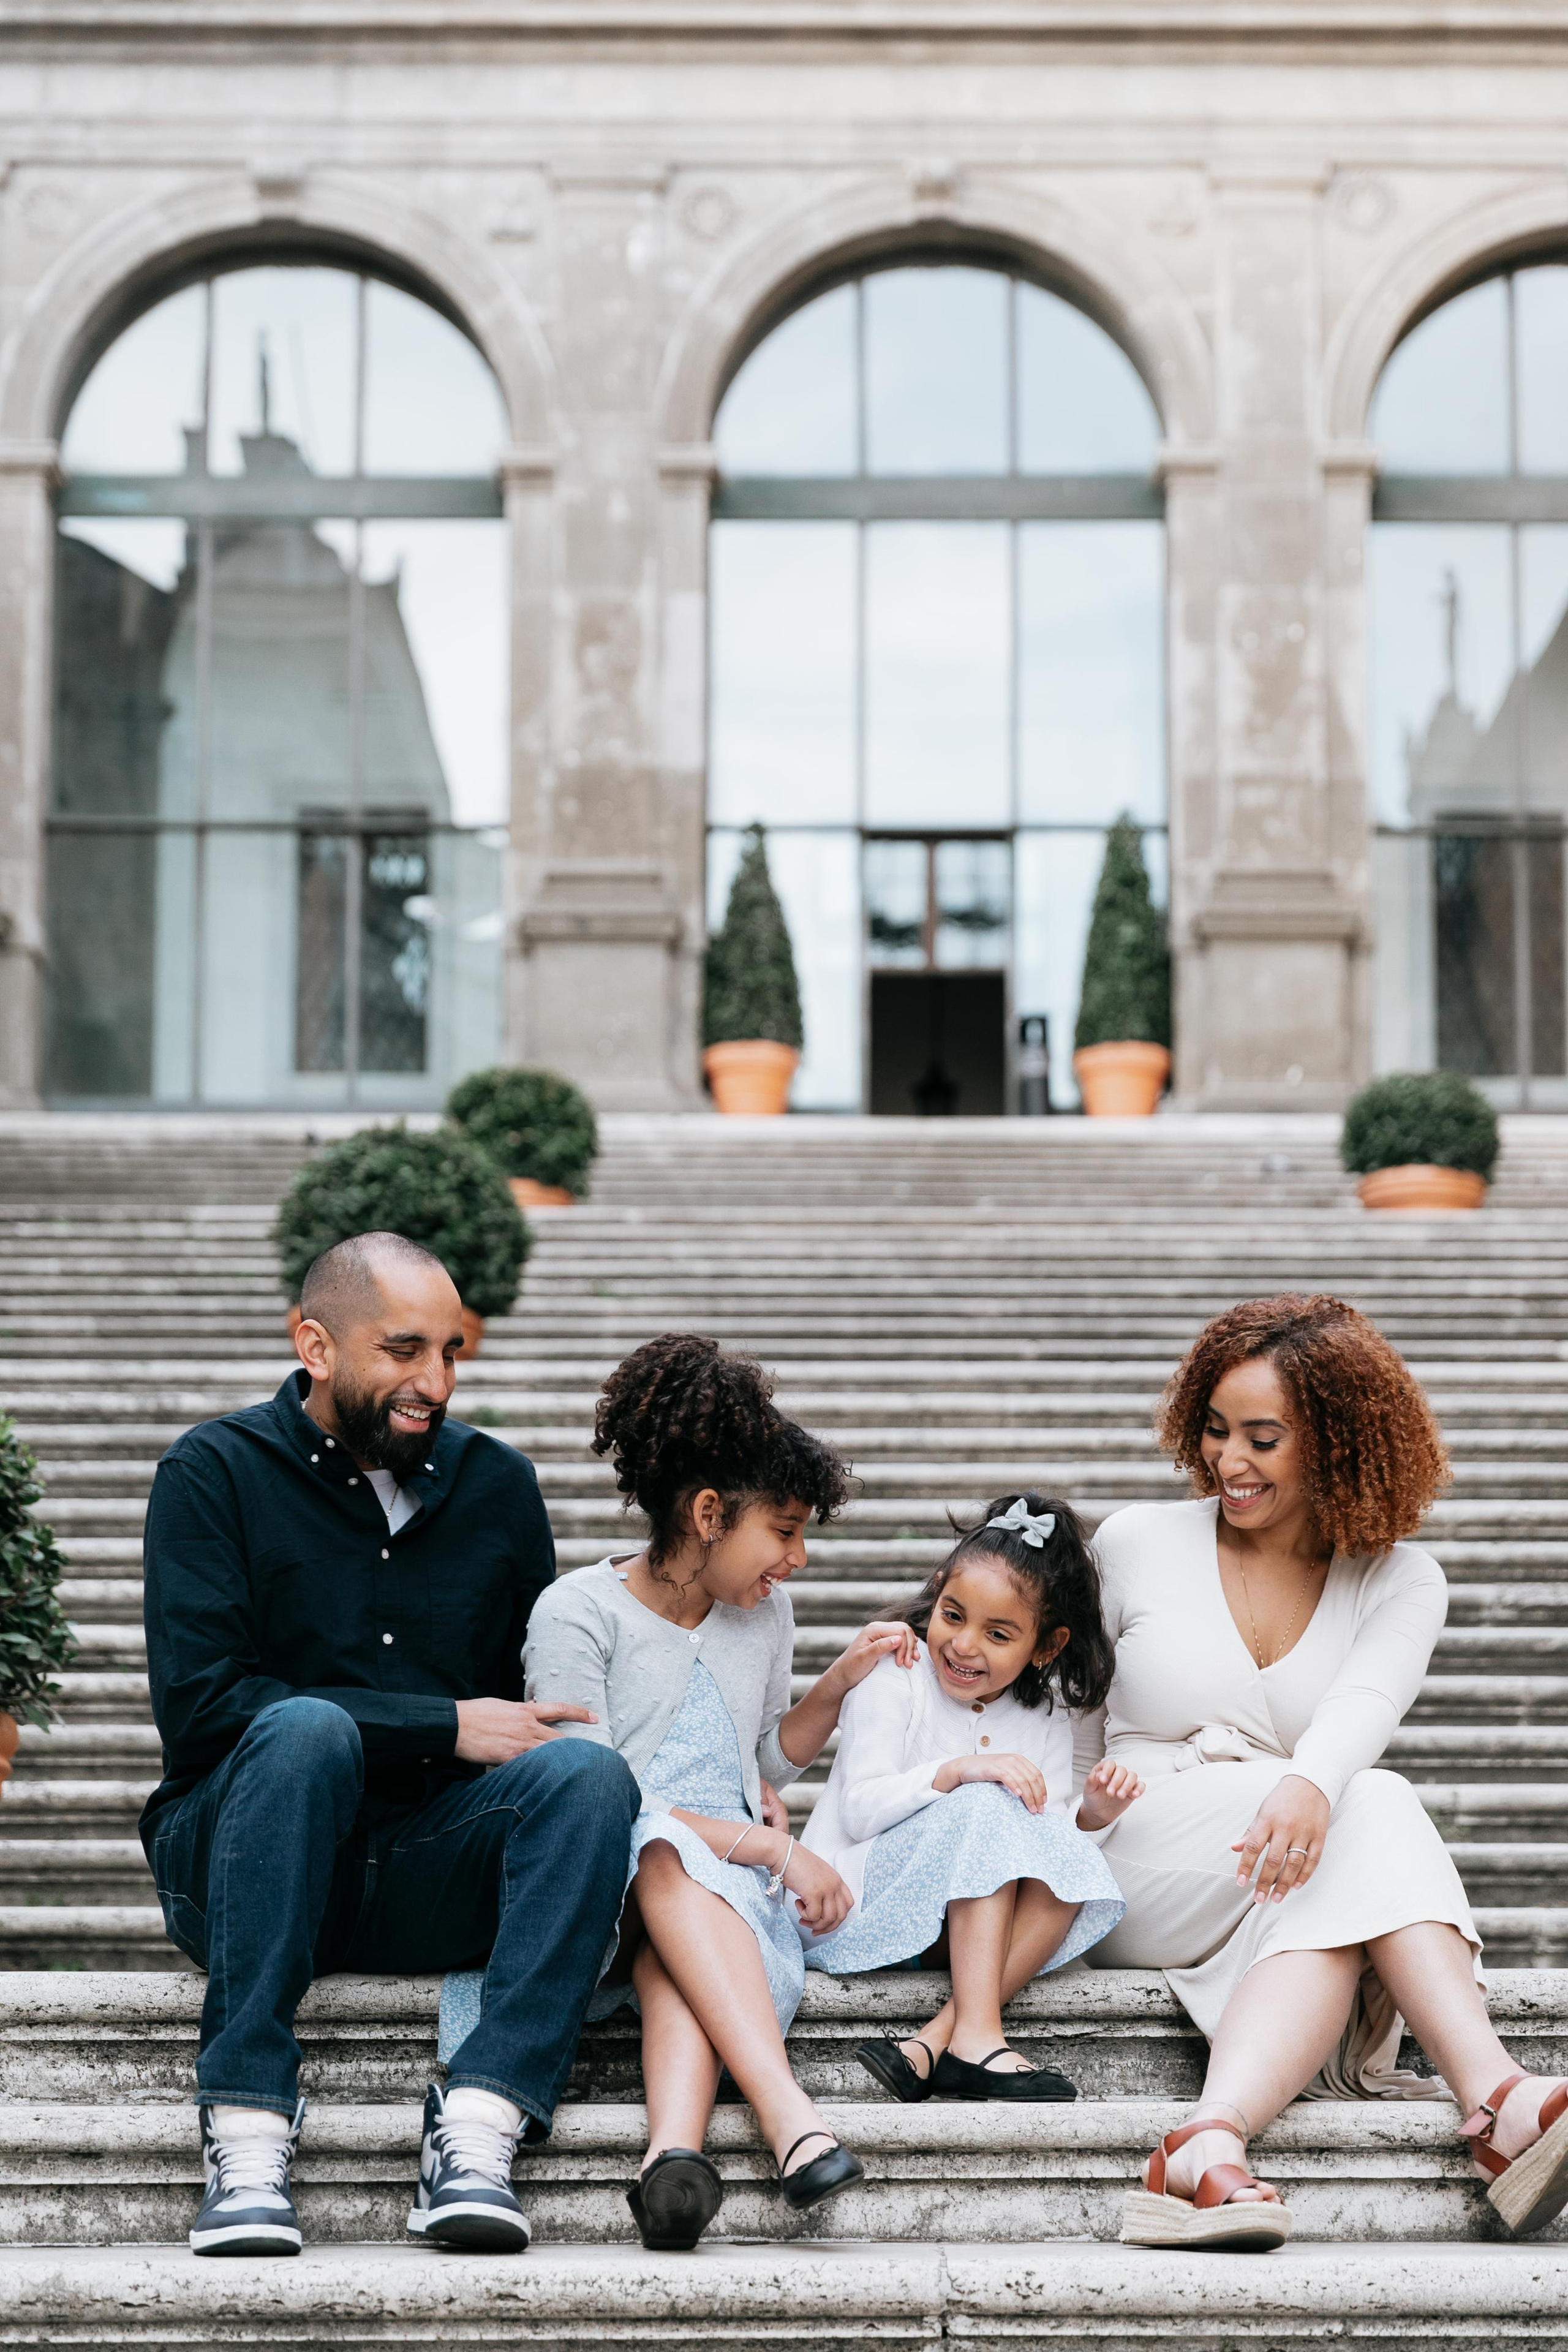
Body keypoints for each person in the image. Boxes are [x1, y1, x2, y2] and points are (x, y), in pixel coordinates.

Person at [140, 1231, 637, 2261]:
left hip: (423, 1867)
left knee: (589, 1776)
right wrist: (441, 1724)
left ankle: (481, 2124)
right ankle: (245, 2132)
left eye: (451, 1353)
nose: (435, 1382)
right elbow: (202, 1710)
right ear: (315, 1346)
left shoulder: (498, 1486)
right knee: (303, 1728)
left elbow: (534, 1717)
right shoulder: (213, 1473)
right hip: (241, 1859)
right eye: (404, 1351)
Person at [1080, 1292, 1568, 2250]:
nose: (1229, 1461)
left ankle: (1205, 2140)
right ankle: (1501, 2102)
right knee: (1364, 1805)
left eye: (1264, 1439)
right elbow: (1065, 1726)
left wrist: (1306, 1784)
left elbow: (1364, 1709)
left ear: (1340, 1443)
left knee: (1343, 1848)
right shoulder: (1135, 1543)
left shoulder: (1400, 1579)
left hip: (1289, 1857)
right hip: (1132, 1850)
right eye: (1217, 1431)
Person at [500, 1331, 911, 2252]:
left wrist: (839, 1683)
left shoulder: (764, 1615)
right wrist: (770, 1845)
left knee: (674, 1911)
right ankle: (787, 2114)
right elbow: (592, 1796)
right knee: (655, 1853)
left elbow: (760, 1762)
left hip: (711, 1906)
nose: (796, 1560)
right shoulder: (578, 1613)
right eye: (787, 1531)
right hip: (604, 1884)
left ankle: (672, 2159)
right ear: (710, 1513)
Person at [801, 1492, 1141, 2100]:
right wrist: (958, 1770)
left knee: (1072, 1864)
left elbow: (1047, 1841)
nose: (964, 1645)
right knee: (986, 1801)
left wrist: (1092, 1815)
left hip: (955, 1934)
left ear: (1045, 1647)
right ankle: (979, 2039)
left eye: (999, 1633)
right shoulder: (895, 1675)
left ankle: (934, 2043)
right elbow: (859, 1811)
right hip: (860, 1907)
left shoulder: (1042, 1715)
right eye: (953, 1616)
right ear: (936, 1593)